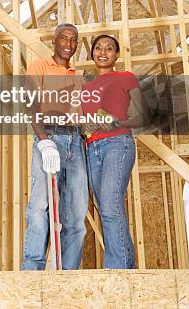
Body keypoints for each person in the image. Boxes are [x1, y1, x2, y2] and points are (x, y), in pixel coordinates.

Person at [22, 23, 89, 270]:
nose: (68, 45)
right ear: (54, 40)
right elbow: (30, 105)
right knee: (40, 206)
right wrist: (44, 141)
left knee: (77, 214)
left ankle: (68, 275)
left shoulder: (77, 75)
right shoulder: (39, 67)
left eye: (73, 40)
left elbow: (81, 114)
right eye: (64, 38)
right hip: (49, 137)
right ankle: (33, 270)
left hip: (75, 142)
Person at [81, 34, 148, 269]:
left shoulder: (125, 77)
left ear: (117, 54)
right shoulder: (85, 87)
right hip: (92, 149)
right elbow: (82, 123)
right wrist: (84, 126)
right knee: (108, 208)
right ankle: (127, 268)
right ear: (92, 53)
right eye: (98, 47)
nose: (103, 52)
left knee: (110, 205)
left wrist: (115, 122)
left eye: (109, 48)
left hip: (117, 144)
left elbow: (142, 116)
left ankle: (117, 270)